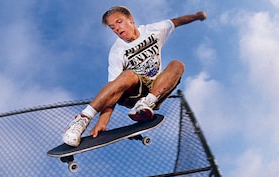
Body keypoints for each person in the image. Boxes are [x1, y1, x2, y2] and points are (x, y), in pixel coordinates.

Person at [63, 6, 207, 147]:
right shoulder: (117, 51)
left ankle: (146, 104)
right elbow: (113, 90)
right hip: (132, 94)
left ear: (131, 20)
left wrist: (197, 16)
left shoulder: (154, 30)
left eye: (119, 22)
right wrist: (103, 120)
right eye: (112, 27)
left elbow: (177, 21)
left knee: (177, 64)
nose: (117, 29)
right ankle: (82, 120)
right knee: (128, 75)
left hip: (157, 89)